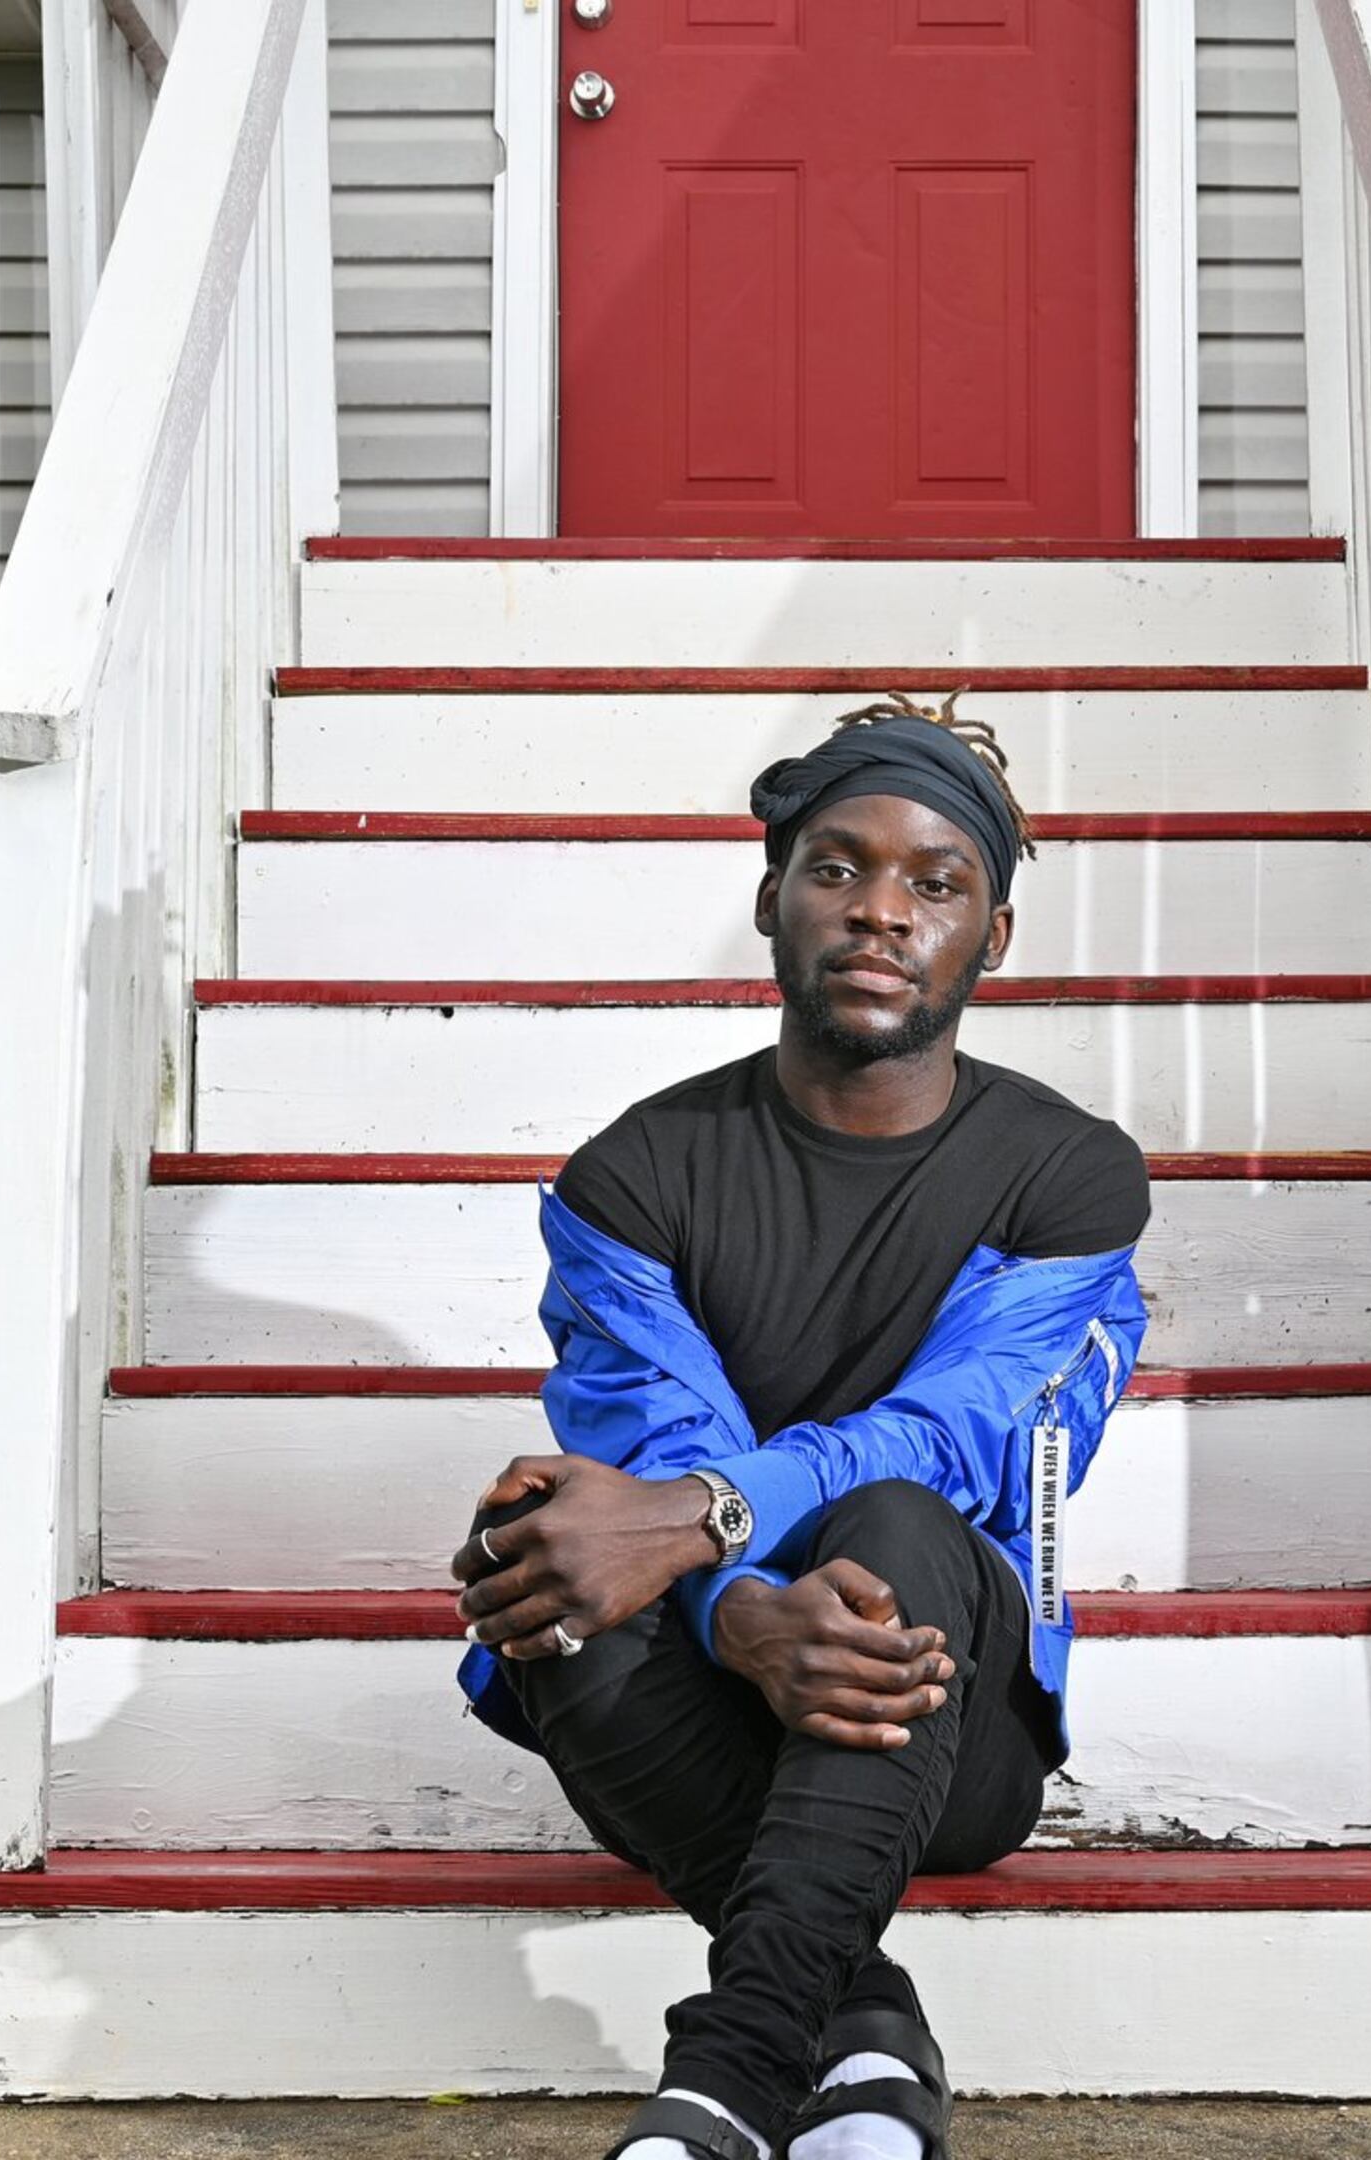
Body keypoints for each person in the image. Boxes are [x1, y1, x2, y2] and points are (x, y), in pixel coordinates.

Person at [445, 697, 1152, 2160]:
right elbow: (640, 1461)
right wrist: (741, 1614)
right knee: (535, 1536)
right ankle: (864, 2036)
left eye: (935, 882)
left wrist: (712, 1533)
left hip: (945, 1721)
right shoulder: (633, 1181)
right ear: (773, 897)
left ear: (992, 936)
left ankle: (735, 2075)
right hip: (697, 1723)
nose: (881, 912)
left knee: (902, 1526)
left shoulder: (1069, 1182)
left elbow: (956, 1439)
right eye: (838, 869)